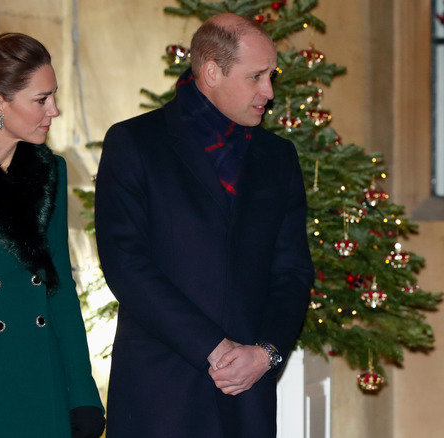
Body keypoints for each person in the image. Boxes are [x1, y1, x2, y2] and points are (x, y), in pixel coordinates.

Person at [95, 12, 314, 438]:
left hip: (246, 394)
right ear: (212, 72)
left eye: (272, 76)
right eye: (256, 77)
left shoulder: (278, 157)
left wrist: (266, 354)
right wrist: (212, 348)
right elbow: (126, 264)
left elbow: (293, 270)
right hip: (159, 393)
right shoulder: (134, 143)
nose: (269, 91)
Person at [0, 33, 105, 438]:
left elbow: (59, 289)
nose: (55, 110)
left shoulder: (51, 172)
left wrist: (83, 393)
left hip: (43, 381)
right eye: (41, 100)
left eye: (54, 97)